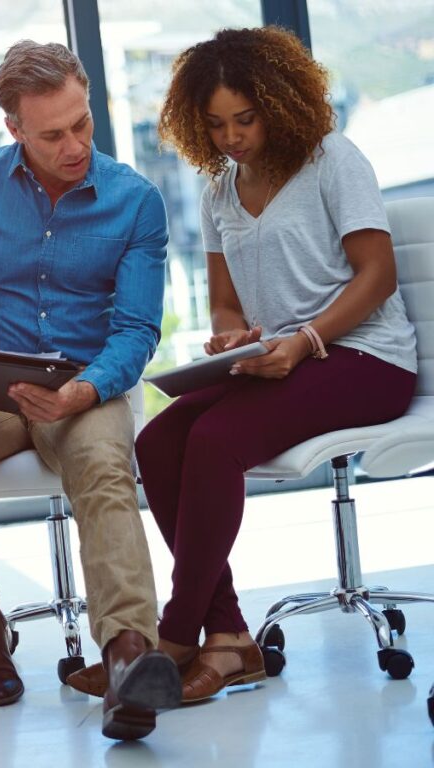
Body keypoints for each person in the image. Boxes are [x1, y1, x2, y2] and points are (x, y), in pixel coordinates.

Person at [110, 26, 417, 703]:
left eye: (244, 119)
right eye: (216, 124)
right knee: (159, 439)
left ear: (277, 103)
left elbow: (378, 275)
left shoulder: (331, 158)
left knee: (216, 441)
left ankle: (176, 636)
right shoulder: (220, 189)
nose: (231, 137)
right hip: (278, 362)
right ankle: (230, 640)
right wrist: (230, 341)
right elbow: (224, 304)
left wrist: (305, 340)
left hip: (366, 359)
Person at [0, 41, 181, 741]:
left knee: (102, 466)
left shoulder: (135, 202)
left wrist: (84, 392)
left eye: (82, 124)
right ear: (15, 130)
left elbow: (138, 329)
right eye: (52, 134)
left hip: (87, 385)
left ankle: (126, 657)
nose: (74, 144)